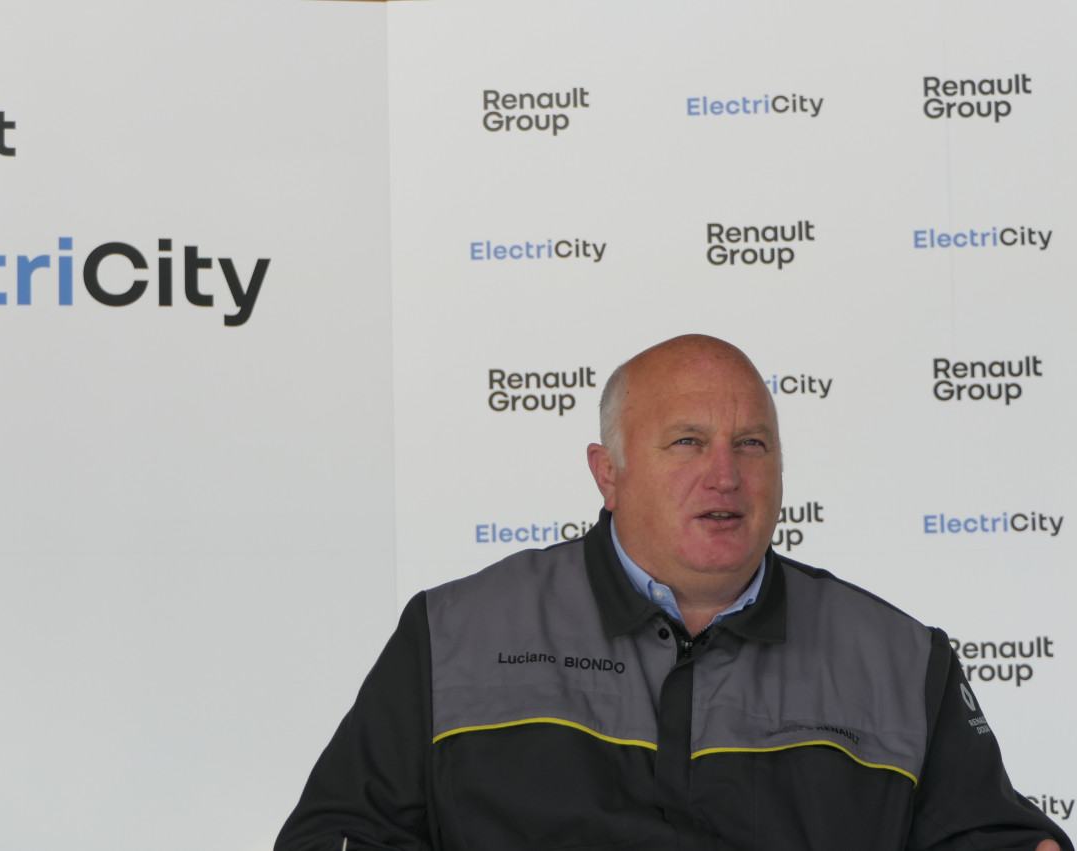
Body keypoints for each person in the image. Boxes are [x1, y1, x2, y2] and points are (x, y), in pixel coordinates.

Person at [276, 334, 1069, 851]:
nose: (725, 474)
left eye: (751, 444)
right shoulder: (453, 637)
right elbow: (338, 833)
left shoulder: (899, 659)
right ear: (607, 472)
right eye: (688, 442)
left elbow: (990, 836)